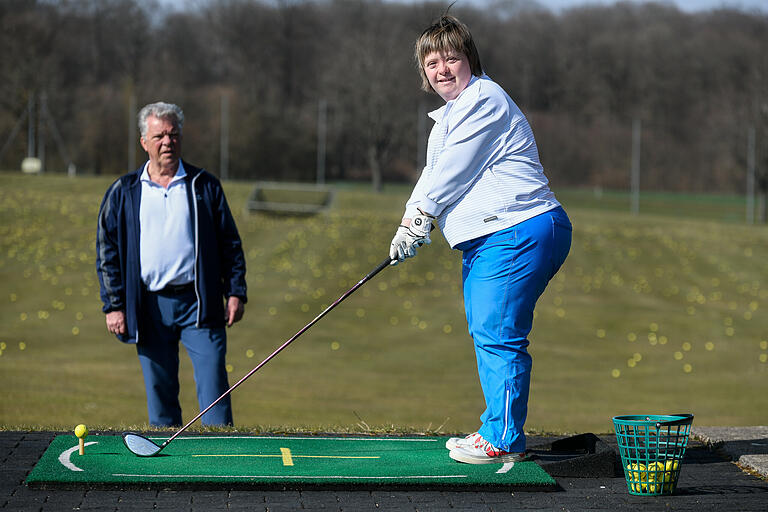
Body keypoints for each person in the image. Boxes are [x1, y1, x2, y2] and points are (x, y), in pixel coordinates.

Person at [389, 16, 572, 464]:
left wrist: (423, 215)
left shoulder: (484, 99)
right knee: (487, 329)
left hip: (517, 228)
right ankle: (496, 425)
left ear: (471, 59)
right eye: (432, 62)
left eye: (452, 58)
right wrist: (409, 220)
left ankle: (504, 438)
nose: (442, 69)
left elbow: (455, 170)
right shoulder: (451, 114)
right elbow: (435, 172)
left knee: (497, 331)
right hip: (490, 238)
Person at [96, 102, 247, 427]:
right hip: (148, 306)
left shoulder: (205, 186)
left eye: (173, 134)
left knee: (215, 391)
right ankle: (169, 473)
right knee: (160, 396)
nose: (167, 142)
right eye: (159, 135)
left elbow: (230, 244)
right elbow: (106, 251)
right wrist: (114, 305)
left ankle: (222, 466)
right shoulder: (124, 191)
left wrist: (235, 291)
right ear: (144, 142)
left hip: (200, 304)